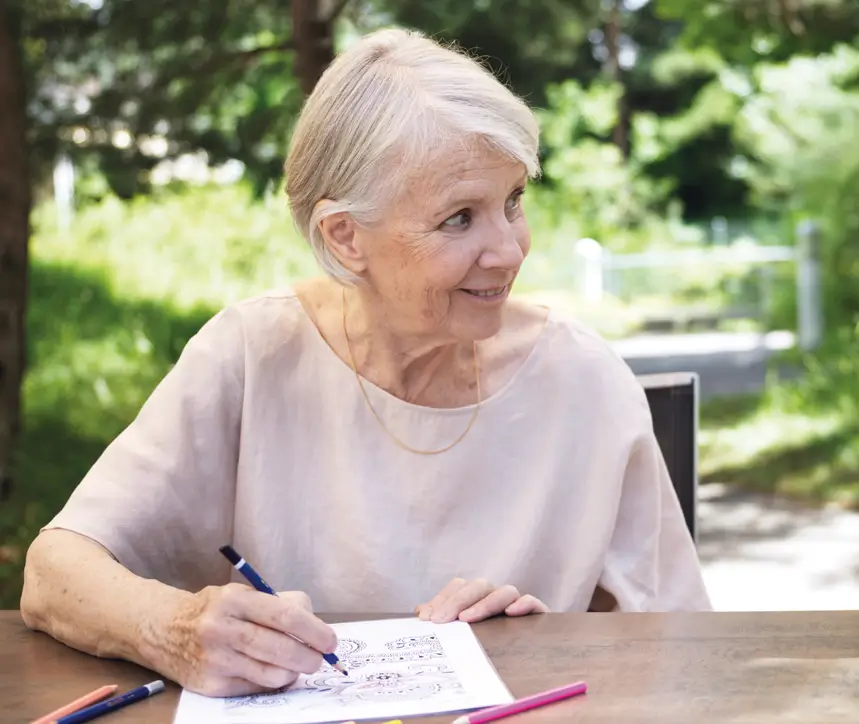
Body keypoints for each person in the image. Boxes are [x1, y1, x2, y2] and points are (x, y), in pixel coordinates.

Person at [20, 28, 710, 698]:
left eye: (512, 202)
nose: (508, 250)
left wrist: (542, 643)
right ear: (346, 237)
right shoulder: (250, 355)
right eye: (459, 219)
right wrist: (173, 628)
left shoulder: (585, 382)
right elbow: (54, 575)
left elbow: (685, 654)